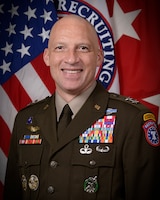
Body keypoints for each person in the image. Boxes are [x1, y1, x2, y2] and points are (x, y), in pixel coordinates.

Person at [4, 14, 160, 200]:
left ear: (99, 57)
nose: (71, 59)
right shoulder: (25, 120)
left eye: (83, 48)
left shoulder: (131, 120)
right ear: (47, 56)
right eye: (60, 48)